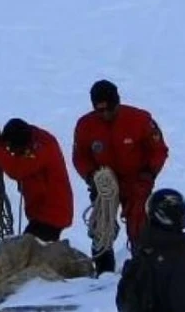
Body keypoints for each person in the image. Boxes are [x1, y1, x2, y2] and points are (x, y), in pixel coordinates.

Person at [72, 79, 170, 274]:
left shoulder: (140, 120)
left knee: (139, 222)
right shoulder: (85, 125)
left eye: (109, 109)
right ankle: (103, 271)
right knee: (102, 224)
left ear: (117, 102)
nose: (106, 115)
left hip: (136, 182)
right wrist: (91, 176)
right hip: (105, 183)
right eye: (100, 111)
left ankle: (142, 266)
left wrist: (148, 174)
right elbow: (80, 156)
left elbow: (158, 150)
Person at [0, 118, 73, 242]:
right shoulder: (31, 138)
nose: (13, 153)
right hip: (42, 213)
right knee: (31, 253)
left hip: (51, 215)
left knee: (28, 253)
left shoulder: (43, 147)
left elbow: (16, 169)